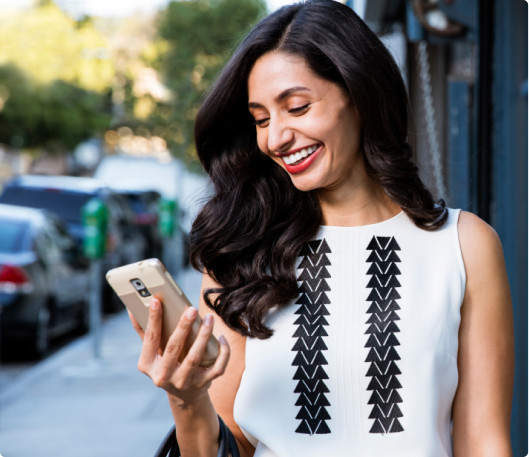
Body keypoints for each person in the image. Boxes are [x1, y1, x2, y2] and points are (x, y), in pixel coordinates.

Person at [128, 1, 514, 456]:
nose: (275, 138)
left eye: (297, 107)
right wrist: (186, 397)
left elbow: (484, 439)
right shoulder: (241, 254)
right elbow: (223, 446)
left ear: (359, 93)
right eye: (261, 119)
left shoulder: (464, 245)